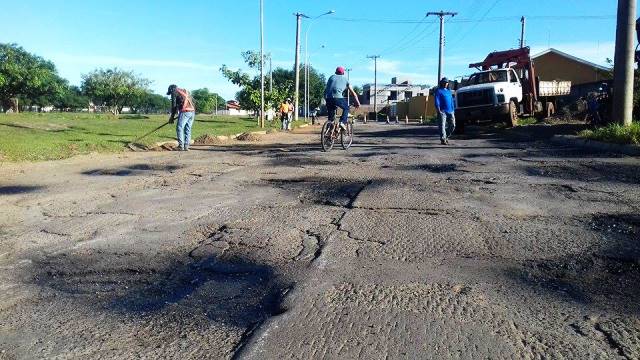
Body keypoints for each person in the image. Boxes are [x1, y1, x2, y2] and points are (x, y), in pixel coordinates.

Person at [167, 84, 196, 151]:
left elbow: (174, 106)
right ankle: (186, 146)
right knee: (187, 129)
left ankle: (181, 146)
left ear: (171, 90)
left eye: (170, 93)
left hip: (185, 112)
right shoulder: (186, 91)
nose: (171, 94)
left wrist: (171, 117)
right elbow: (193, 101)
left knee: (179, 127)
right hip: (192, 112)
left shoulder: (174, 91)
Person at [434, 77, 455, 145]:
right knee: (442, 126)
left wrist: (453, 109)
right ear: (442, 83)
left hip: (450, 111)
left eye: (446, 82)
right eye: (444, 82)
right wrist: (438, 109)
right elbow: (437, 100)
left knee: (453, 125)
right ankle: (443, 139)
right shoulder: (438, 91)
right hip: (442, 111)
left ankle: (446, 137)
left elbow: (451, 101)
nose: (446, 83)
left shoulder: (449, 91)